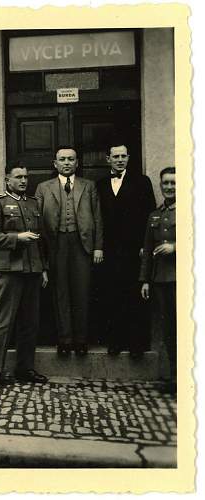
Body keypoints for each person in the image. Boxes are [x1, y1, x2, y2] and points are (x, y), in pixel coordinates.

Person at [0, 164, 48, 389]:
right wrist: (17, 238)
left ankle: (24, 368)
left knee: (30, 322)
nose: (23, 181)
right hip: (8, 270)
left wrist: (44, 268)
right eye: (18, 177)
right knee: (3, 322)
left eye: (26, 177)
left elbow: (42, 240)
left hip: (32, 271)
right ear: (7, 179)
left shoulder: (33, 204)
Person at [35, 146, 103, 356]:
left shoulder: (88, 186)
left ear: (77, 163)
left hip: (82, 244)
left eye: (71, 159)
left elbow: (98, 217)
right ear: (55, 164)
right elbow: (36, 221)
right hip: (55, 245)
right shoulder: (43, 187)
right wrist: (41, 252)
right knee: (60, 292)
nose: (66, 163)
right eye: (62, 159)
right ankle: (64, 340)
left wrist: (98, 246)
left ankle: (81, 340)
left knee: (81, 291)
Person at [97, 144, 156, 357]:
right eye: (115, 156)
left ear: (129, 157)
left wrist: (144, 245)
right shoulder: (101, 184)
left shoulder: (142, 182)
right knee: (112, 294)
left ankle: (137, 344)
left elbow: (149, 215)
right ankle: (115, 341)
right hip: (110, 250)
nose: (120, 159)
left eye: (123, 156)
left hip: (134, 249)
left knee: (135, 294)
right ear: (108, 159)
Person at [140, 167, 176, 393]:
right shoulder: (155, 214)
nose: (170, 187)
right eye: (166, 183)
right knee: (168, 329)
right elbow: (147, 249)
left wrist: (176, 246)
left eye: (174, 183)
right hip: (160, 280)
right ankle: (171, 377)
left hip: (182, 280)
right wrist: (144, 280)